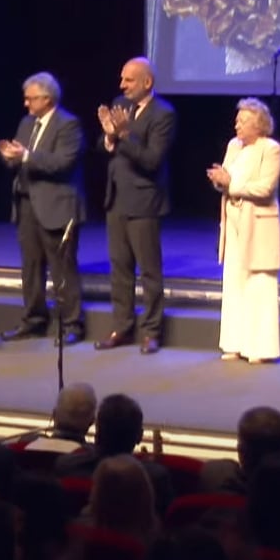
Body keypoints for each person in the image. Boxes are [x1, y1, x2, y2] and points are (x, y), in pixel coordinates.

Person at [0, 71, 86, 344]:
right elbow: (21, 160)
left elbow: (62, 163)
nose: (26, 104)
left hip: (57, 206)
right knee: (31, 267)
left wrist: (24, 156)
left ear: (47, 99)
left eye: (31, 99)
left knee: (63, 269)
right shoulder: (27, 123)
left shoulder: (68, 125)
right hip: (26, 204)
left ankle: (71, 324)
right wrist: (10, 157)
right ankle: (33, 320)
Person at [96, 57, 175, 355]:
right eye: (122, 79)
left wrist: (124, 135)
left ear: (147, 82)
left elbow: (152, 160)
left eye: (128, 80)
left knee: (150, 271)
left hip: (144, 202)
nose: (122, 85)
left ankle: (151, 331)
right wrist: (108, 135)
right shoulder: (120, 105)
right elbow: (103, 147)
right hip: (116, 199)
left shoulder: (164, 114)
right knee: (120, 269)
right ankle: (122, 327)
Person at [208, 98, 280, 363]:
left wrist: (231, 182)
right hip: (234, 223)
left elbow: (265, 189)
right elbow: (228, 181)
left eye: (242, 121)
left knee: (259, 283)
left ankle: (260, 348)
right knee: (234, 282)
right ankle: (234, 342)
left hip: (258, 224)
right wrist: (220, 181)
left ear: (258, 124)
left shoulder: (270, 149)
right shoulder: (234, 146)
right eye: (237, 120)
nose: (236, 125)